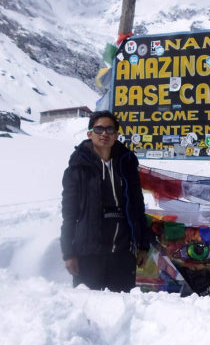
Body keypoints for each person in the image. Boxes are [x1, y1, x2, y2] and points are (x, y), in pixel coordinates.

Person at [60, 110, 149, 292]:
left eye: (110, 130)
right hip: (88, 253)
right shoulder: (77, 169)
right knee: (88, 308)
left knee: (122, 307)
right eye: (99, 129)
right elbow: (69, 214)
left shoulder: (127, 164)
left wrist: (142, 245)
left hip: (123, 253)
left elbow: (137, 207)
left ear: (116, 135)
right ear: (89, 133)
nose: (104, 134)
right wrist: (68, 252)